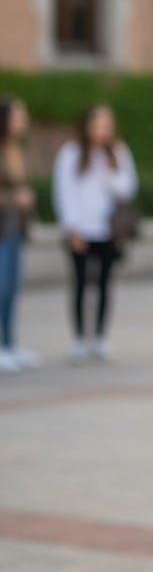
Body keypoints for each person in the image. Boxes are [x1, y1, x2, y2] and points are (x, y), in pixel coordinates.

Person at [52, 105, 138, 362]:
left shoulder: (118, 152)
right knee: (79, 284)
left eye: (106, 125)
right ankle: (79, 338)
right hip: (81, 229)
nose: (102, 130)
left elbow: (128, 188)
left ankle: (100, 337)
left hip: (108, 230)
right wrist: (71, 227)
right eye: (98, 124)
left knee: (104, 283)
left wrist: (110, 171)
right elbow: (64, 192)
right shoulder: (71, 153)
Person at [0, 96, 39, 374]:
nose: (23, 120)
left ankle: (10, 343)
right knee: (1, 287)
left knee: (12, 288)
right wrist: (16, 198)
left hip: (14, 228)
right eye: (19, 115)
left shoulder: (15, 149)